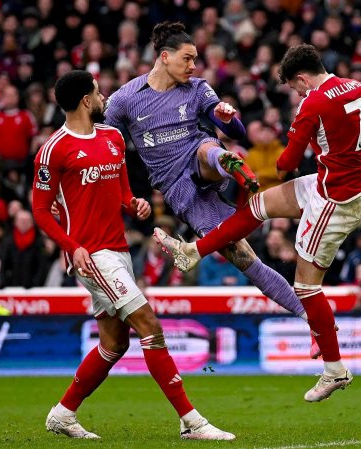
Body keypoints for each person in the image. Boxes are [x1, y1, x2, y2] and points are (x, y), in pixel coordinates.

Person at [155, 44, 361, 402]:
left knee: (307, 288)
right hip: (340, 181)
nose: (296, 93)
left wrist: (296, 131)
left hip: (337, 199)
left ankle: (335, 370)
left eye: (294, 87)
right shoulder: (358, 88)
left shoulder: (313, 103)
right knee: (258, 205)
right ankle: (194, 250)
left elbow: (284, 163)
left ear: (302, 78)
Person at [32, 70, 234, 441]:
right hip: (91, 256)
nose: (103, 94)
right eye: (98, 90)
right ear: (84, 101)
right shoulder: (54, 149)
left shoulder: (112, 137)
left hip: (118, 249)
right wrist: (71, 246)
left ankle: (62, 414)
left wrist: (133, 203)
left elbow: (122, 188)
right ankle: (192, 421)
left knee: (114, 343)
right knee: (149, 325)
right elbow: (42, 210)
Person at [104, 21, 309, 344]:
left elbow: (235, 130)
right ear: (164, 56)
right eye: (187, 58)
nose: (193, 66)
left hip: (201, 158)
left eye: (195, 58)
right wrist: (123, 195)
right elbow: (100, 142)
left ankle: (232, 165)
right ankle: (309, 317)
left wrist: (227, 118)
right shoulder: (125, 99)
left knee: (206, 148)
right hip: (178, 190)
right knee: (246, 261)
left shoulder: (198, 89)